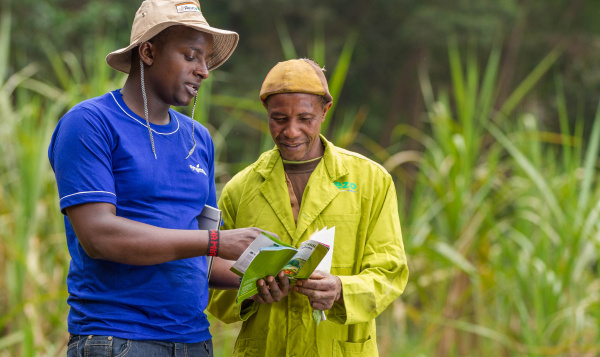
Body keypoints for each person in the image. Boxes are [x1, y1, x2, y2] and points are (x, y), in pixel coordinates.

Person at [48, 1, 268, 355]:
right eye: (191, 56)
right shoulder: (90, 123)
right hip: (118, 337)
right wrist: (215, 241)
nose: (204, 71)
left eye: (207, 60)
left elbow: (203, 255)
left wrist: (262, 274)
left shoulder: (199, 139)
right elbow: (99, 237)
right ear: (148, 52)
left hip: (193, 340)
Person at [207, 58, 409, 356]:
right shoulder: (240, 189)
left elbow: (390, 272)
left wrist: (341, 289)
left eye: (305, 118)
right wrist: (250, 293)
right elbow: (209, 282)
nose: (291, 131)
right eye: (279, 119)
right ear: (266, 113)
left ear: (325, 111)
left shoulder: (370, 181)